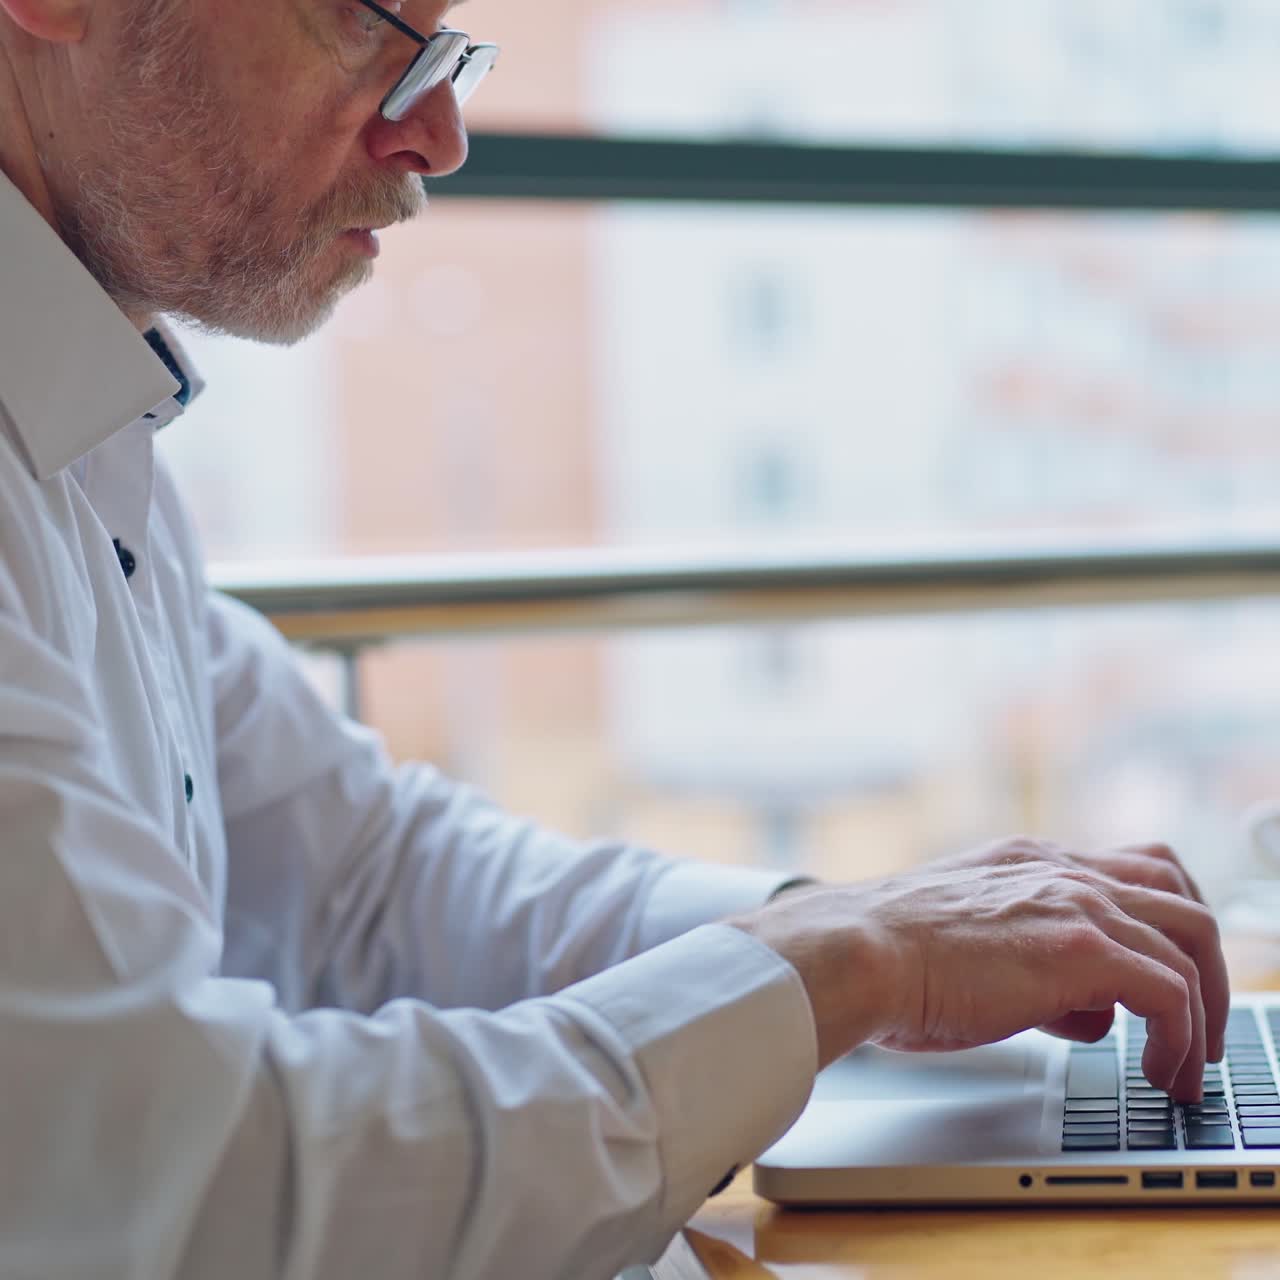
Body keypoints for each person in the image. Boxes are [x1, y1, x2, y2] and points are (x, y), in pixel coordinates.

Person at [0, 1, 1230, 1277]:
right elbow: (183, 1187)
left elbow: (368, 884)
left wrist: (876, 931)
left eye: (446, 50)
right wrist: (828, 967)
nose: (439, 134)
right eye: (368, 26)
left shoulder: (89, 430)